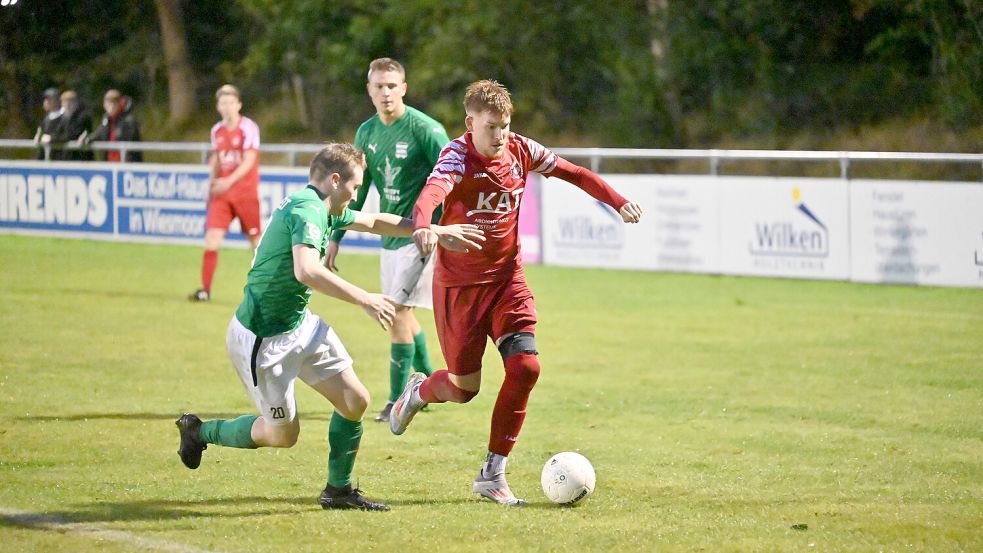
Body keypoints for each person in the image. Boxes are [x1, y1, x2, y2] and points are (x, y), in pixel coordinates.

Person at [175, 143, 484, 511]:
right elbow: (306, 270)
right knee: (282, 435)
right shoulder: (309, 210)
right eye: (354, 188)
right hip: (263, 340)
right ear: (335, 180)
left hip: (299, 327)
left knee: (355, 400)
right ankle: (199, 431)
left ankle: (338, 491)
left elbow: (374, 221)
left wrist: (431, 228)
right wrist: (364, 298)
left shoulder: (323, 205)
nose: (355, 195)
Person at [388, 80, 643, 505]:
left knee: (526, 368)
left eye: (505, 126)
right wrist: (424, 227)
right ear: (471, 123)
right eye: (492, 127)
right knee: (463, 389)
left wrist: (616, 201)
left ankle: (493, 472)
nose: (500, 135)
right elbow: (430, 195)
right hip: (459, 290)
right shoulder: (456, 156)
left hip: (508, 281)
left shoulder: (522, 150)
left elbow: (573, 173)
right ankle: (418, 392)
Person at [326, 58, 450, 423]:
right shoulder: (366, 134)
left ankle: (399, 398)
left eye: (392, 85)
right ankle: (429, 383)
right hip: (389, 236)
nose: (385, 92)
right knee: (405, 315)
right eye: (379, 86)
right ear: (369, 90)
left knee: (395, 313)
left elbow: (453, 177)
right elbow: (357, 192)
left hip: (421, 235)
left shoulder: (425, 129)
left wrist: (438, 228)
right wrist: (336, 236)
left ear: (404, 89)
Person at [189, 84, 262, 302]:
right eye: (223, 103)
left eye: (231, 102)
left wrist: (228, 181)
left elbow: (249, 160)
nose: (228, 107)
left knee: (256, 241)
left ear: (239, 105)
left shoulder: (248, 128)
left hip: (244, 193)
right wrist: (210, 187)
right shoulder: (216, 131)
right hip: (221, 194)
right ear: (218, 106)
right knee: (212, 238)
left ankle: (266, 289)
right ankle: (205, 290)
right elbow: (217, 161)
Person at [88, 89, 143, 162]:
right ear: (104, 105)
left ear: (119, 103)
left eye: (114, 103)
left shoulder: (129, 121)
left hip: (124, 166)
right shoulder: (106, 120)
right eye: (108, 103)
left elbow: (131, 148)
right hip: (109, 165)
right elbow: (98, 134)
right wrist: (87, 139)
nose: (111, 106)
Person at [48, 90, 93, 161]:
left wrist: (51, 138)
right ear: (62, 104)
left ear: (76, 103)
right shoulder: (61, 119)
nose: (67, 105)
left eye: (71, 102)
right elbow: (56, 132)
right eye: (65, 102)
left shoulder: (83, 117)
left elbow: (72, 135)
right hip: (64, 159)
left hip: (80, 159)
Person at [33, 88, 62, 160]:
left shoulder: (63, 117)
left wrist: (51, 138)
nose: (46, 102)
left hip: (59, 156)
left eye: (50, 99)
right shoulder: (46, 118)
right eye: (46, 100)